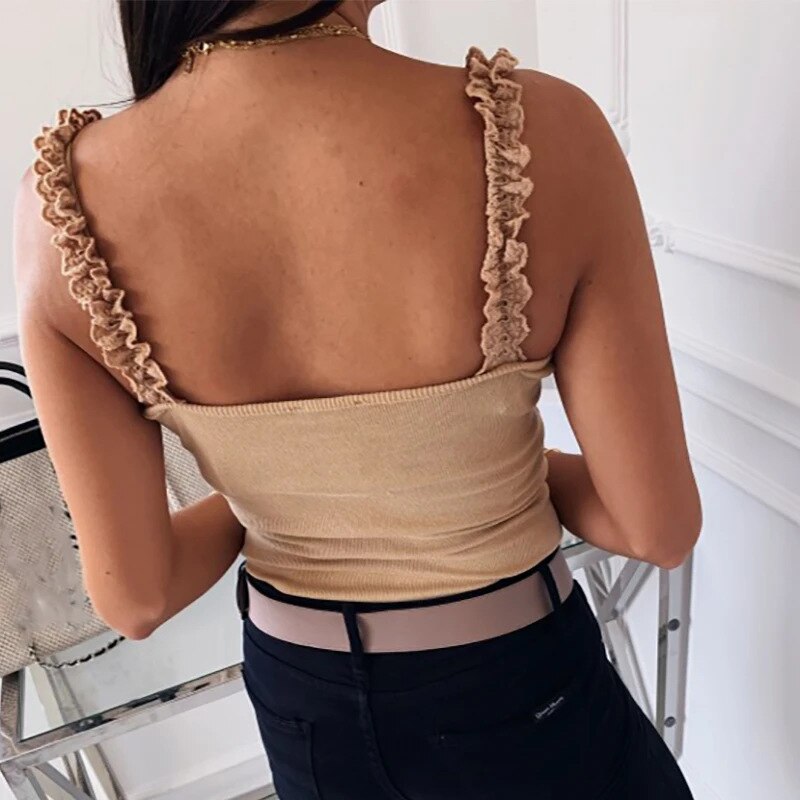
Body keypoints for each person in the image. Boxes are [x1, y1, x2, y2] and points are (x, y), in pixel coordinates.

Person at [13, 0, 702, 797]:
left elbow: (137, 596)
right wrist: (457, 468)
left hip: (306, 703)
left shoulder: (61, 206)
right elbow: (654, 527)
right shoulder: (541, 129)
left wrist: (283, 488)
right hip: (520, 680)